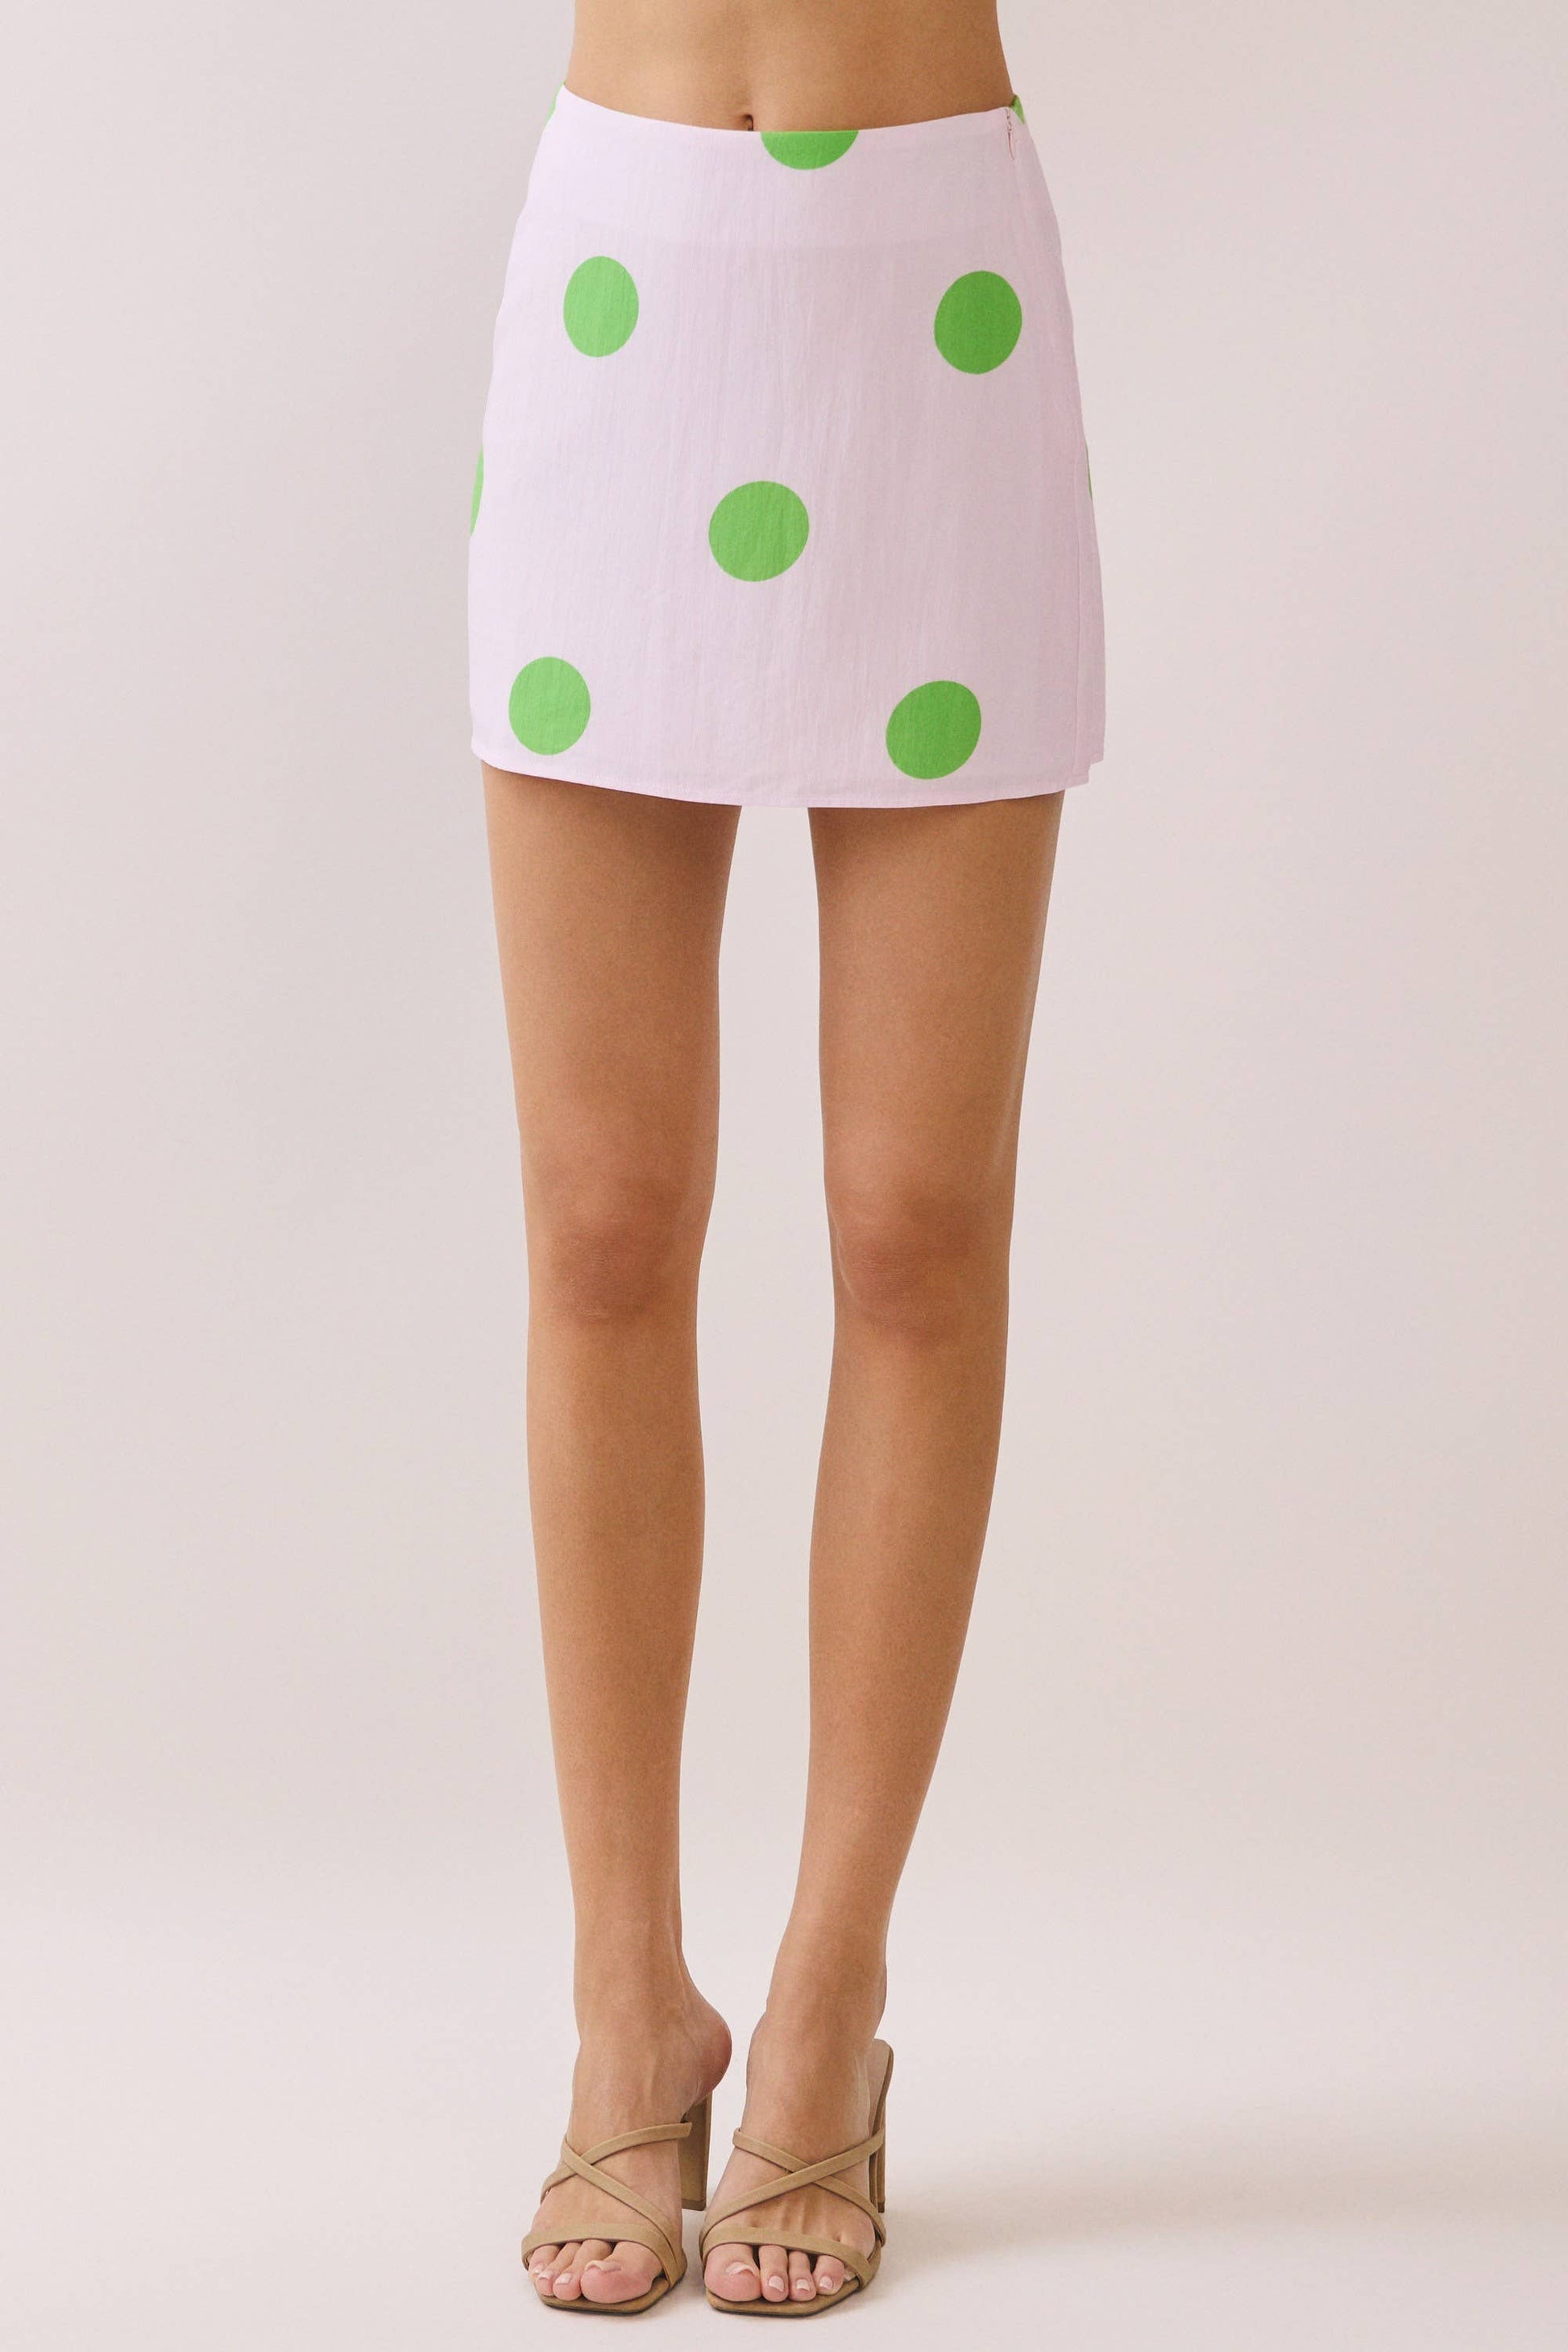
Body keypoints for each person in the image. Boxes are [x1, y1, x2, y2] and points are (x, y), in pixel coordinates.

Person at [468, 0, 1104, 2314]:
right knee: (603, 1225)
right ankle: (627, 2007)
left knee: (915, 1224)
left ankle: (828, 2004)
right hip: (624, 268)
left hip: (933, 297)